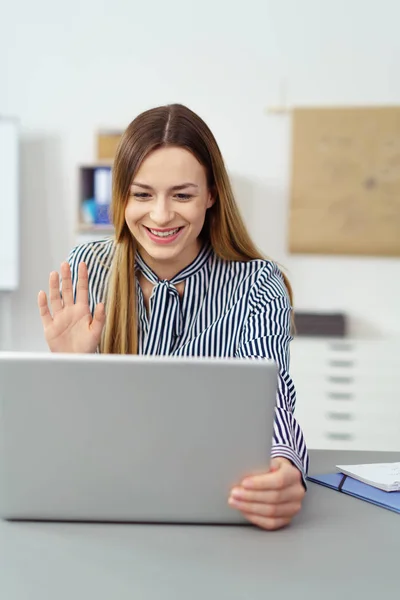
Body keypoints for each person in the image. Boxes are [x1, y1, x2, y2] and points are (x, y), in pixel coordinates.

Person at [38, 103, 308, 531]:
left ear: (212, 195)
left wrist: (285, 467)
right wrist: (70, 368)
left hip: (215, 503)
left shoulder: (256, 282)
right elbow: (68, 434)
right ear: (121, 195)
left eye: (182, 195)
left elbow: (272, 399)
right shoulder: (90, 269)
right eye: (142, 194)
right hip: (105, 501)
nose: (161, 215)